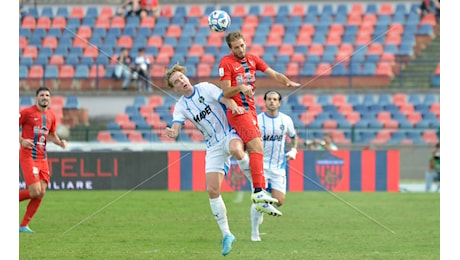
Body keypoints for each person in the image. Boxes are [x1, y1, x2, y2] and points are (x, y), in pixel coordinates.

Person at [163, 64, 280, 256]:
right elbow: (176, 126)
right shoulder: (181, 106)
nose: (181, 82)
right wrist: (172, 132)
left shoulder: (206, 87)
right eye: (176, 82)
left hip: (229, 132)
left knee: (236, 148)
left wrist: (232, 105)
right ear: (174, 88)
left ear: (186, 77)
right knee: (212, 190)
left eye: (181, 78)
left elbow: (224, 98)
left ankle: (258, 191)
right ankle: (227, 234)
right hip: (212, 145)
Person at [218, 31, 300, 209]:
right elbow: (225, 91)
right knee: (257, 146)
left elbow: (273, 73)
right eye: (237, 47)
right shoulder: (226, 63)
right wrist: (240, 88)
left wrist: (286, 82)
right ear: (230, 48)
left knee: (249, 149)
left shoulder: (253, 59)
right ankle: (258, 190)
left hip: (251, 110)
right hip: (238, 110)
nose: (241, 49)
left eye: (242, 45)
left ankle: (258, 188)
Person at [247, 90, 299, 242]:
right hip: (260, 166)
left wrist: (294, 149)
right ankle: (255, 233)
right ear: (265, 101)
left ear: (279, 102)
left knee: (279, 201)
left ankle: (262, 207)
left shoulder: (286, 120)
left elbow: (294, 137)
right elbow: (249, 140)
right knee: (259, 199)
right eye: (269, 99)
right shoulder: (257, 120)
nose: (272, 102)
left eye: (275, 99)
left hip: (278, 167)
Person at [19, 87, 67, 233]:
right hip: (28, 156)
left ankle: (23, 226)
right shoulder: (26, 112)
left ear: (50, 98)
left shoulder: (51, 115)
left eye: (47, 95)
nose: (45, 97)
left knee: (41, 193)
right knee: (34, 192)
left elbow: (51, 135)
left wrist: (59, 142)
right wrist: (21, 140)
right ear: (36, 97)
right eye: (42, 95)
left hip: (42, 158)